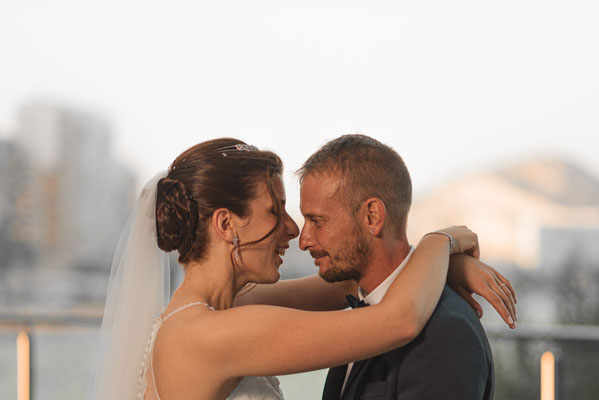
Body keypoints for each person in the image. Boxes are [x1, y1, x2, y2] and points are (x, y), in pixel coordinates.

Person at [86, 138, 516, 400]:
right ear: (225, 225)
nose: (293, 230)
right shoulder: (211, 334)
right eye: (275, 211)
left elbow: (357, 274)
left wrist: (450, 267)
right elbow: (397, 318)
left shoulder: (219, 309)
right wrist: (441, 241)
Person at [296, 134, 508, 399]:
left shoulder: (444, 333)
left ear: (372, 216)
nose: (304, 241)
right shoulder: (365, 312)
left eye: (316, 221)